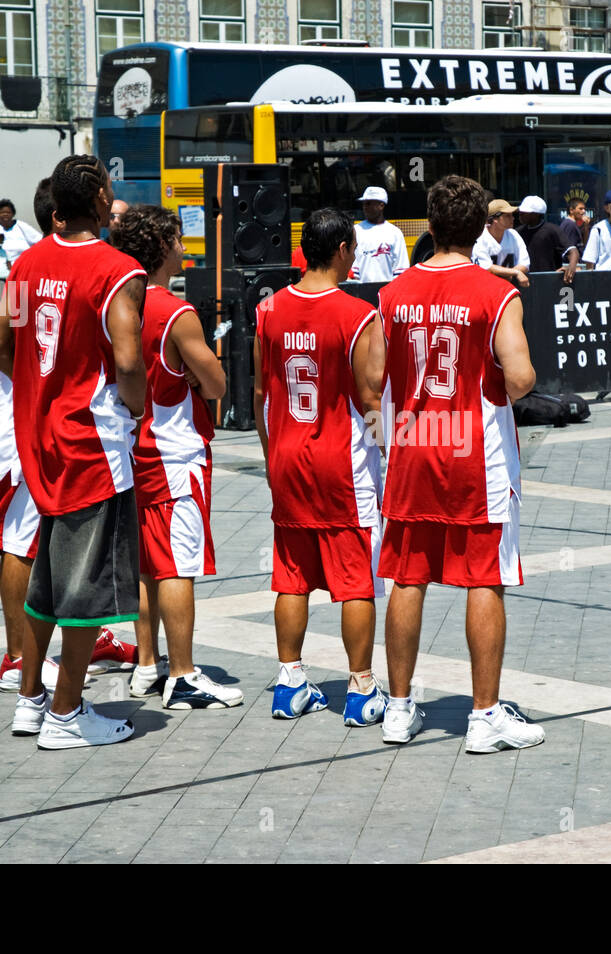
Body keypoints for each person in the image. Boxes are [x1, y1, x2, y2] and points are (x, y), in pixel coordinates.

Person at [375, 174, 544, 753]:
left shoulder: (392, 293)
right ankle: (484, 716)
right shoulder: (496, 293)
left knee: (407, 576)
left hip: (413, 445)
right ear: (479, 229)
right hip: (476, 453)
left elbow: (376, 377)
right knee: (485, 578)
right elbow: (520, 378)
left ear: (428, 222)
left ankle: (398, 709)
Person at [0, 154, 147, 750]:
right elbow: (129, 361)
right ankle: (66, 713)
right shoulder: (116, 268)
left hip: (38, 437)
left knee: (46, 586)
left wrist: (38, 388)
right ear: (101, 198)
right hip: (91, 443)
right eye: (109, 188)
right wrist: (133, 406)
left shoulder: (26, 264)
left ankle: (31, 701)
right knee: (88, 590)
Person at [253, 208, 388, 726]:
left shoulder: (269, 311)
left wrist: (271, 457)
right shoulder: (358, 315)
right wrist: (389, 455)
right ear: (341, 252)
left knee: (291, 576)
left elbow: (262, 394)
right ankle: (360, 689)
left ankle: (289, 683)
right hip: (341, 463)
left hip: (287, 457)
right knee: (356, 580)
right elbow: (370, 396)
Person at [107, 205, 244, 709]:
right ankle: (183, 675)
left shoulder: (119, 302)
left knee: (147, 564)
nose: (185, 249)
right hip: (174, 451)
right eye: (179, 241)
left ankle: (147, 665)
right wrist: (193, 373)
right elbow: (217, 384)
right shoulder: (176, 312)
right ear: (163, 246)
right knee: (176, 567)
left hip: (133, 447)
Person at [349, 186, 409, 283]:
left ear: (381, 205)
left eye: (368, 203)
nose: (365, 207)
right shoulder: (355, 231)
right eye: (363, 204)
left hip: (387, 292)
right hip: (361, 291)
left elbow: (401, 268)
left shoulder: (395, 233)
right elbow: (352, 267)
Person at [517, 194, 579, 282]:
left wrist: (571, 267)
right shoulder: (518, 232)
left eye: (524, 212)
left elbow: (572, 251)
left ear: (536, 214)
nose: (520, 214)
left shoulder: (552, 230)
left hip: (549, 283)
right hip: (525, 282)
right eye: (520, 211)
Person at [472, 198, 531, 287]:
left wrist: (508, 275)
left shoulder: (513, 234)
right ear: (495, 219)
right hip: (484, 287)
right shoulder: (480, 236)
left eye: (512, 215)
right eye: (508, 215)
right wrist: (515, 272)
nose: (513, 218)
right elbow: (486, 267)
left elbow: (525, 264)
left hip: (509, 287)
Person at [0, 198, 42, 264]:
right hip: (0, 267)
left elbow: (40, 240)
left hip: (23, 265)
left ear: (13, 214)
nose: (5, 214)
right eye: (2, 212)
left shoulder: (21, 226)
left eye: (8, 212)